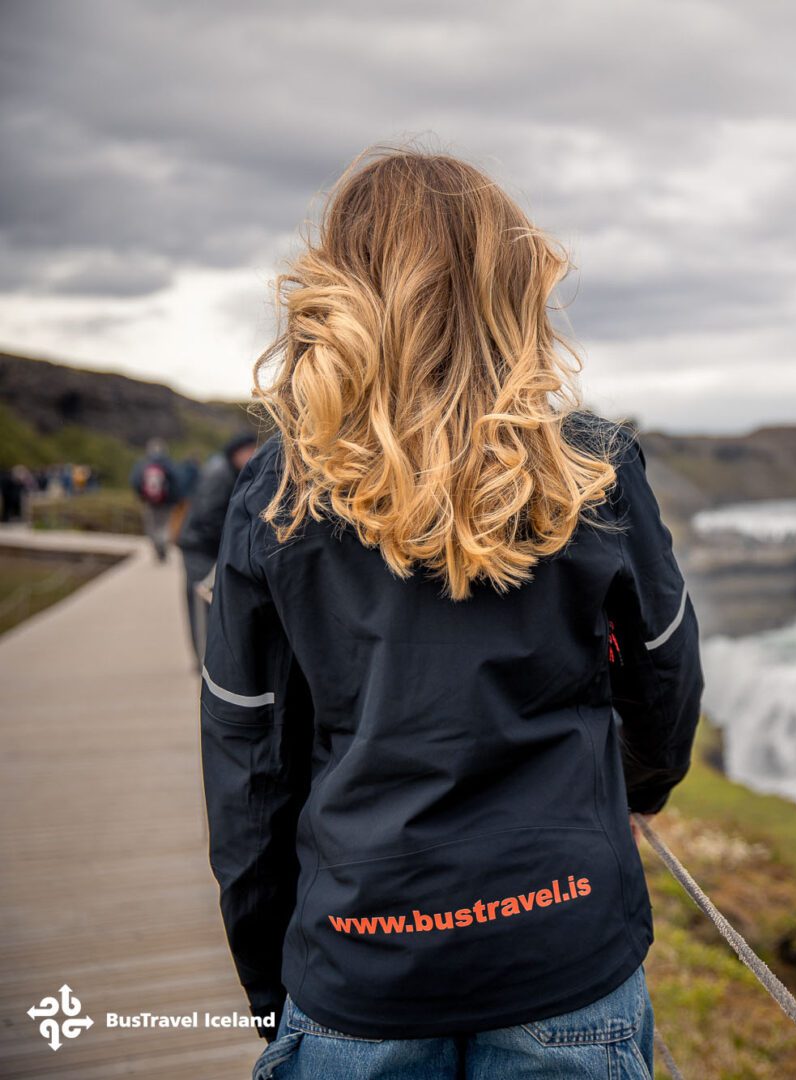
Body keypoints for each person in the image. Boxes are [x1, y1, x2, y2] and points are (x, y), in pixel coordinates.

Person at [201, 147, 702, 1080]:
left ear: (342, 285)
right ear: (510, 278)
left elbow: (249, 758)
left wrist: (272, 979)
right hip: (566, 941)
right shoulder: (591, 467)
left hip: (360, 960)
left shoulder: (279, 494)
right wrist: (629, 797)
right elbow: (664, 685)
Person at [176, 431, 259, 670]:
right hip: (199, 548)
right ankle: (204, 659)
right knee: (201, 604)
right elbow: (208, 518)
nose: (254, 455)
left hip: (204, 546)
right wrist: (234, 543)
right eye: (250, 450)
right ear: (238, 451)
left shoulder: (225, 470)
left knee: (207, 604)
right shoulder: (220, 474)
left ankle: (209, 658)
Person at [129, 438, 178, 560]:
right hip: (166, 502)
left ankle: (157, 545)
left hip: (149, 501)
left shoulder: (143, 463)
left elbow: (135, 481)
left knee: (151, 526)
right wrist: (173, 499)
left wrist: (141, 496)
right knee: (164, 524)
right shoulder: (169, 464)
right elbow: (177, 482)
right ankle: (162, 544)